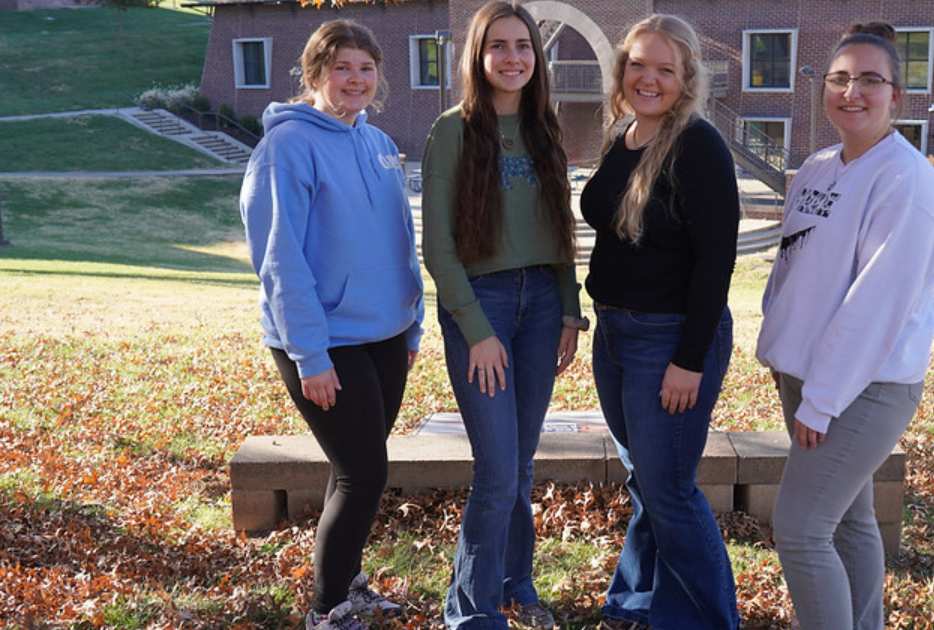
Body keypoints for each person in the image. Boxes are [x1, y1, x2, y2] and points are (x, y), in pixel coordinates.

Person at [756, 21, 934, 630]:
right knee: (849, 521)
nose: (852, 92)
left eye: (871, 80)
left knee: (801, 529)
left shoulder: (908, 181)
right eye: (840, 79)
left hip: (861, 386)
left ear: (897, 95)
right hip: (807, 373)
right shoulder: (817, 166)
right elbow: (795, 266)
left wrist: (819, 401)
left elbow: (877, 307)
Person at [239, 19, 424, 630]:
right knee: (363, 472)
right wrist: (310, 354)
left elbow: (400, 238)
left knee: (359, 468)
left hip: (384, 337)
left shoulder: (375, 141)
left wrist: (411, 324)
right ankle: (328, 611)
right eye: (342, 68)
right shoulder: (286, 146)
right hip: (325, 342)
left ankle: (347, 582)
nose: (355, 80)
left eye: (366, 69)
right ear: (314, 74)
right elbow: (278, 255)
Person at [420, 2, 585, 628]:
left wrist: (570, 311)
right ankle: (472, 613)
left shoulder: (546, 129)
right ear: (478, 56)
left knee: (519, 464)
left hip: (543, 305)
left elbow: (560, 232)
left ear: (536, 57)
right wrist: (477, 332)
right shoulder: (453, 130)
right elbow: (438, 248)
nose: (513, 57)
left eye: (523, 46)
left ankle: (517, 584)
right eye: (499, 46)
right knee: (494, 469)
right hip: (480, 304)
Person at [580, 14, 741, 630]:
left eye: (664, 69)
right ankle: (637, 603)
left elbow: (715, 261)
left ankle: (709, 620)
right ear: (622, 71)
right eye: (638, 64)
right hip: (617, 335)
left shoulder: (698, 146)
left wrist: (689, 359)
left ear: (686, 78)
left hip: (668, 340)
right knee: (645, 481)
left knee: (669, 491)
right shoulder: (625, 134)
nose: (648, 78)